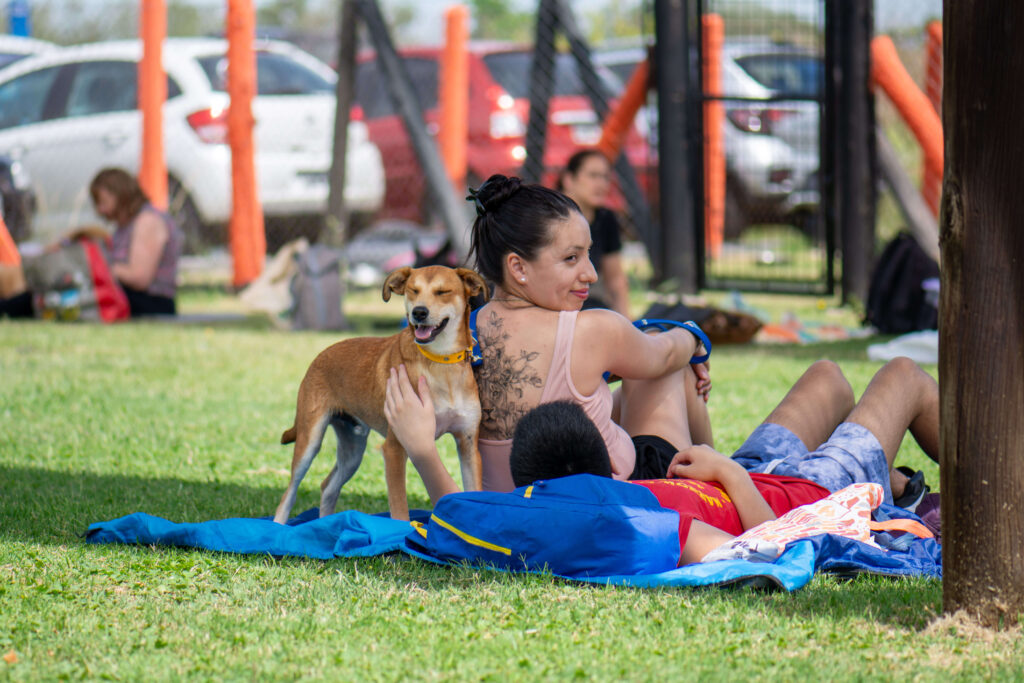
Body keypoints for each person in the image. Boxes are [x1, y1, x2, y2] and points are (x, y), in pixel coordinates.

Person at [464, 174, 711, 491]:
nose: (591, 274)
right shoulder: (594, 330)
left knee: (634, 364)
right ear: (518, 268)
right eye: (571, 258)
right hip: (620, 498)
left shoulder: (464, 333)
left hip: (512, 509)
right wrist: (691, 336)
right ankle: (712, 490)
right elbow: (664, 356)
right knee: (670, 368)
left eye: (588, 254)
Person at [0, 168, 182, 319]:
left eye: (103, 202)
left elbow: (139, 278)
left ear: (121, 194)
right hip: (126, 295)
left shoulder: (147, 221)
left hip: (150, 303)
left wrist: (93, 265)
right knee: (51, 292)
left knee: (57, 298)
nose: (100, 211)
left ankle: (8, 309)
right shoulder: (125, 226)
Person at [556, 149, 630, 318]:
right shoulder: (548, 217)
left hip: (584, 303)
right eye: (593, 176)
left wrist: (628, 325)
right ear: (569, 179)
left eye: (605, 177)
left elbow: (616, 279)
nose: (601, 184)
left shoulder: (606, 218)